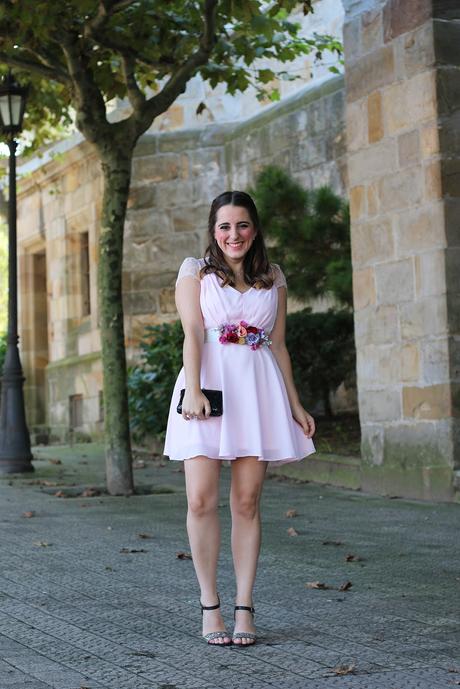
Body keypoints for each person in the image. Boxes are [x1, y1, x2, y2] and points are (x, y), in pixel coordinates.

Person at [163, 190, 316, 647]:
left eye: (243, 225)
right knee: (200, 500)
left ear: (255, 229)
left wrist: (295, 403)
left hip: (257, 391)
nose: (235, 234)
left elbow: (280, 344)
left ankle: (244, 607)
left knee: (247, 502)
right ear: (214, 230)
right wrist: (192, 389)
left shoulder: (274, 277)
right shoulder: (195, 272)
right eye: (225, 226)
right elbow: (192, 332)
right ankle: (210, 606)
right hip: (206, 387)